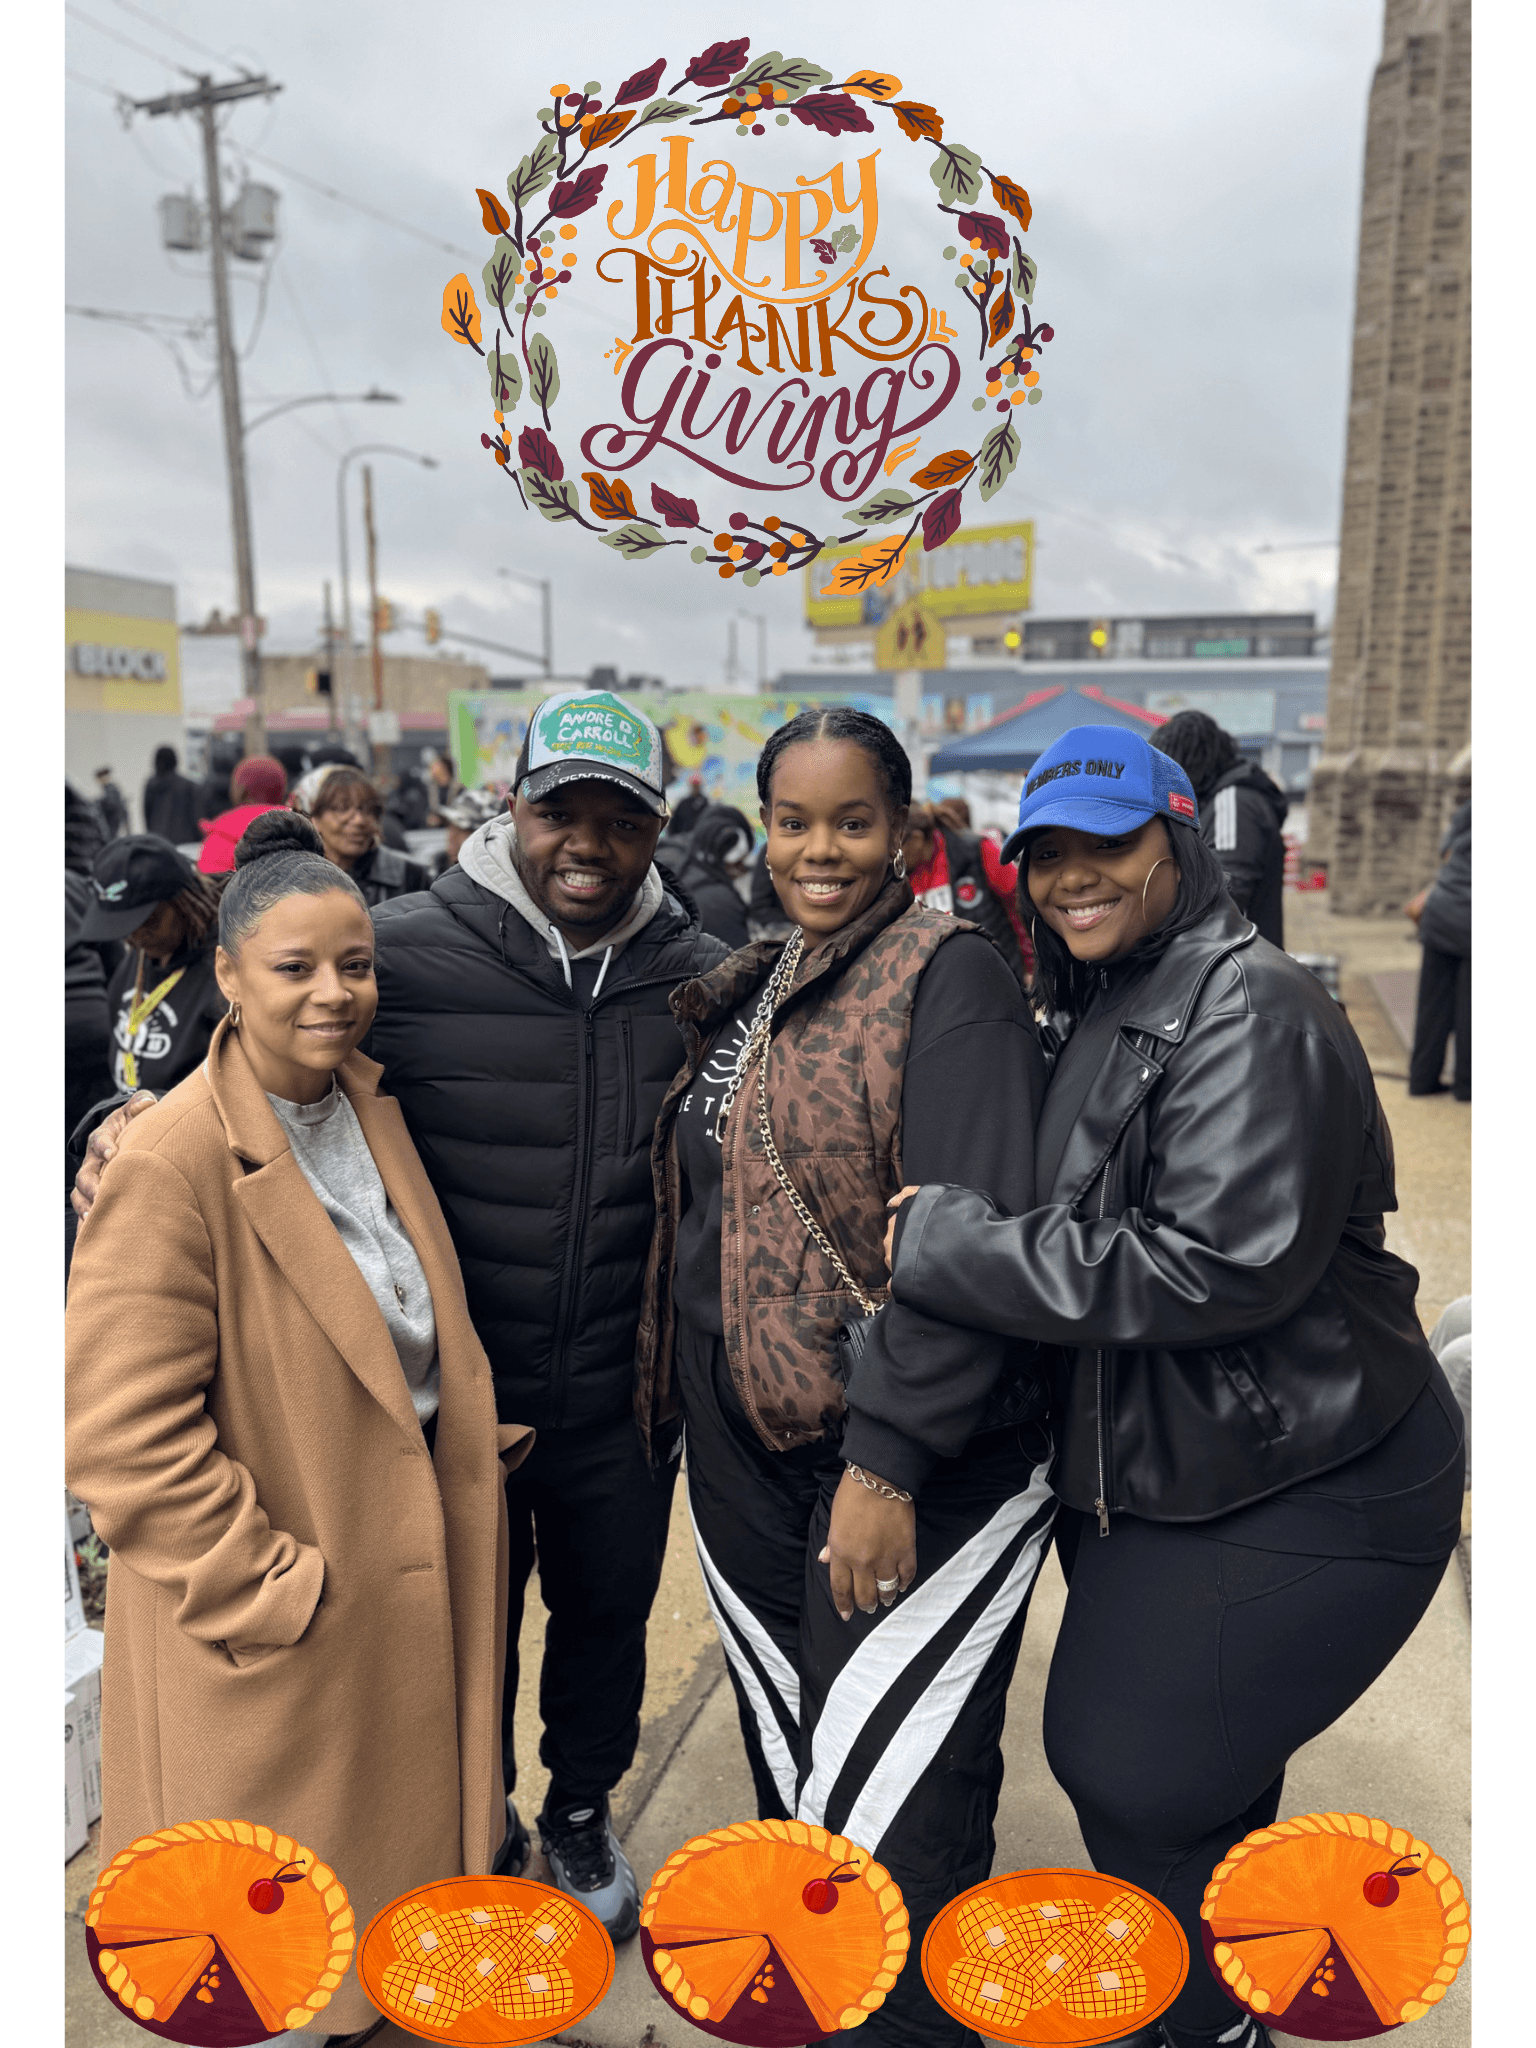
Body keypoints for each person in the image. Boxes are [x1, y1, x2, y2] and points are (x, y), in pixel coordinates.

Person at [72, 689, 730, 1941]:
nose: (586, 844)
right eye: (560, 811)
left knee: (604, 1625)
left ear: (657, 829)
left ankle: (577, 1806)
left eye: (620, 819)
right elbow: (250, 1055)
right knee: (454, 1645)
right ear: (511, 806)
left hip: (617, 1392)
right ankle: (473, 1816)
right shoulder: (400, 949)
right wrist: (119, 1124)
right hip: (444, 1416)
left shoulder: (699, 973)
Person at [882, 725, 1465, 2048]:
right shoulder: (1116, 984)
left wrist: (950, 1246)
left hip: (1315, 1465)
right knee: (1199, 1785)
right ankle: (1222, 1993)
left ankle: (1204, 2021)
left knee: (1129, 1769)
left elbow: (1215, 1266)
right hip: (1183, 1462)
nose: (1074, 876)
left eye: (1111, 844)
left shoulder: (1251, 1005)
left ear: (1181, 842)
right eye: (1049, 854)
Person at [66, 810, 533, 2043]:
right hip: (285, 1604)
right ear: (226, 973)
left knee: (372, 1920)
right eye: (296, 966)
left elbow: (398, 1321)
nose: (335, 992)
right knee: (271, 1949)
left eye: (356, 963)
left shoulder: (365, 1105)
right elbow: (119, 1434)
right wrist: (264, 1583)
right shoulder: (170, 1159)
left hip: (395, 1578)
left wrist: (469, 1438)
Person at [636, 706, 1057, 2048]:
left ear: (904, 832)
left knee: (898, 1802)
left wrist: (888, 1462)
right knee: (802, 1776)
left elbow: (969, 1249)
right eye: (794, 821)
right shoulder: (767, 971)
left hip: (910, 1458)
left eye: (852, 821)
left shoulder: (954, 975)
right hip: (749, 1450)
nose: (820, 849)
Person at [79, 835, 228, 1101]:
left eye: (149, 921)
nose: (136, 938)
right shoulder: (141, 956)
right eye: (124, 928)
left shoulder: (224, 972)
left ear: (184, 901)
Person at [1151, 708, 1289, 948]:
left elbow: (1226, 890)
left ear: (1190, 761)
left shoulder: (1233, 802)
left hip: (1237, 957)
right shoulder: (1226, 798)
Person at [900, 798, 1032, 985]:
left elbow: (1020, 904)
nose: (894, 856)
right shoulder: (901, 874)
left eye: (898, 848)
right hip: (944, 982)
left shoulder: (976, 850)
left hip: (997, 973)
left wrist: (1030, 965)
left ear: (916, 839)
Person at [1405, 795, 1470, 1100]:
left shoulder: (1471, 809)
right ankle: (1467, 1085)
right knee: (1471, 1009)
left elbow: (1445, 850)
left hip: (1440, 912)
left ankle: (1422, 1080)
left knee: (1432, 1006)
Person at [292, 763, 429, 906]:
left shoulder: (410, 876)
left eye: (369, 810)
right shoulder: (294, 880)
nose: (359, 820)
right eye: (342, 808)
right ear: (314, 819)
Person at [654, 802, 755, 949]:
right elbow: (742, 958)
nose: (740, 873)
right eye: (740, 865)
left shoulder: (672, 849)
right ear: (731, 863)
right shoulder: (717, 901)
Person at [197, 754, 289, 873]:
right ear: (282, 789)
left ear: (239, 789)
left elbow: (210, 880)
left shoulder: (221, 838)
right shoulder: (302, 831)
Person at [433, 788, 503, 878]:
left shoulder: (496, 877)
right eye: (450, 827)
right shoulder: (440, 866)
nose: (451, 836)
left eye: (462, 830)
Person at [141, 745, 202, 848]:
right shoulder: (188, 786)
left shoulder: (151, 785)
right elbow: (196, 816)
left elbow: (147, 815)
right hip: (185, 842)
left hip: (159, 842)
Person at [94, 766, 129, 838]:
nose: (102, 780)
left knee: (112, 837)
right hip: (113, 820)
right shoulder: (108, 789)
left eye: (104, 777)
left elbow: (112, 804)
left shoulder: (111, 789)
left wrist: (100, 803)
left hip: (114, 820)